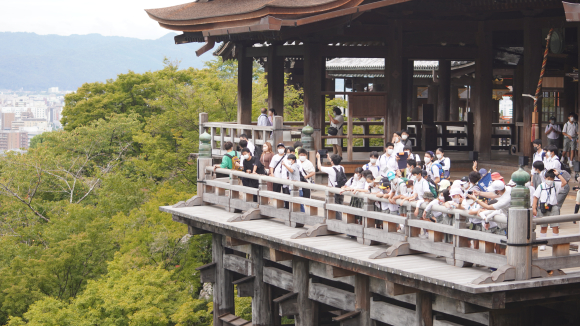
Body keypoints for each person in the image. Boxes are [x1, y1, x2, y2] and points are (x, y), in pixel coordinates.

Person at [468, 180, 511, 255]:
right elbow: (493, 194)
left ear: (498, 190)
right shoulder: (507, 189)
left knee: (510, 244)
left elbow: (488, 206)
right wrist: (479, 193)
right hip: (506, 217)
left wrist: (476, 199)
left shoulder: (504, 201)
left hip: (510, 220)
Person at [533, 169, 567, 251]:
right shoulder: (541, 186)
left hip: (553, 207)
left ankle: (555, 243)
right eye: (548, 179)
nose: (549, 181)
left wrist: (558, 174)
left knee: (555, 226)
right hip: (543, 207)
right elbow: (535, 197)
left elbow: (564, 183)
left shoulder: (556, 185)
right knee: (543, 226)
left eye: (551, 179)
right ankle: (542, 244)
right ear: (545, 178)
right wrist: (534, 208)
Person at [316, 152, 346, 220]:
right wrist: (329, 159)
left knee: (335, 207)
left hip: (333, 191)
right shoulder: (342, 168)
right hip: (341, 189)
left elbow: (319, 167)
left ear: (332, 161)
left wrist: (318, 158)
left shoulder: (330, 169)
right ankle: (338, 220)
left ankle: (338, 222)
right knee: (340, 206)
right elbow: (335, 164)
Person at [270, 143, 290, 208]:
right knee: (276, 191)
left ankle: (287, 206)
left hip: (285, 177)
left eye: (282, 147)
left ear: (284, 148)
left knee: (286, 192)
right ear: (277, 149)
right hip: (277, 176)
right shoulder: (275, 157)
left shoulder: (287, 157)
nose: (280, 149)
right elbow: (271, 166)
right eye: (279, 148)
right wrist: (272, 174)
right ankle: (276, 205)